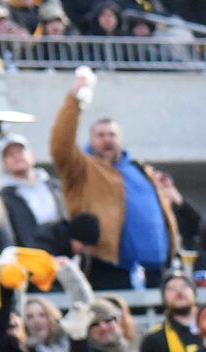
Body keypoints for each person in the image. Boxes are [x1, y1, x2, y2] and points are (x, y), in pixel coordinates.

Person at [49, 69, 178, 288]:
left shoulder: (140, 169)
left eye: (112, 135)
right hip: (109, 268)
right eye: (100, 135)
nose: (107, 140)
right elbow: (61, 145)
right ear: (91, 139)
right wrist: (75, 102)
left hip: (158, 271)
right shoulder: (83, 168)